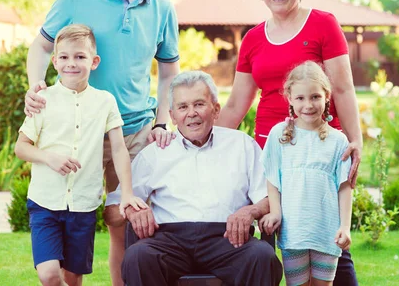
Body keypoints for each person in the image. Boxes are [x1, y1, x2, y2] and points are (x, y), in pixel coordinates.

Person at [22, 0, 180, 285]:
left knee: (125, 221)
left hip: (134, 130)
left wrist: (161, 121)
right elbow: (41, 46)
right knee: (65, 223)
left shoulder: (163, 8)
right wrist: (35, 86)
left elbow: (169, 72)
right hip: (81, 130)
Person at [216, 0, 361, 285]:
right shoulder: (252, 39)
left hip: (319, 151)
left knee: (329, 238)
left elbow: (342, 89)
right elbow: (237, 104)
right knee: (272, 235)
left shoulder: (323, 24)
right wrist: (197, 142)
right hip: (273, 156)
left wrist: (355, 141)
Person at [104, 71, 283, 286]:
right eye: (183, 107)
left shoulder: (242, 145)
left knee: (261, 257)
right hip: (169, 241)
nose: (191, 113)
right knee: (138, 256)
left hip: (228, 239)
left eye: (199, 104)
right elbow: (112, 211)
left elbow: (269, 198)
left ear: (216, 109)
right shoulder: (156, 152)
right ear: (172, 116)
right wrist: (132, 211)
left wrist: (250, 211)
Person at [15, 24, 146, 286]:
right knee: (50, 275)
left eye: (79, 57)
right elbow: (21, 147)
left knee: (73, 279)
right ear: (54, 61)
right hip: (44, 203)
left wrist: (127, 192)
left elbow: (119, 149)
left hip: (83, 205)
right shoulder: (43, 100)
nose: (71, 63)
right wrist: (49, 157)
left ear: (94, 61)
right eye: (63, 57)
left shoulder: (105, 101)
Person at [259, 61, 352, 286]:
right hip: (294, 231)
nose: (308, 105)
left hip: (326, 230)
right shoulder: (279, 135)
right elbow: (273, 179)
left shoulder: (338, 140)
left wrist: (345, 226)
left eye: (315, 97)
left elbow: (344, 187)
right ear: (289, 98)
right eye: (300, 98)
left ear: (326, 96)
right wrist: (276, 212)